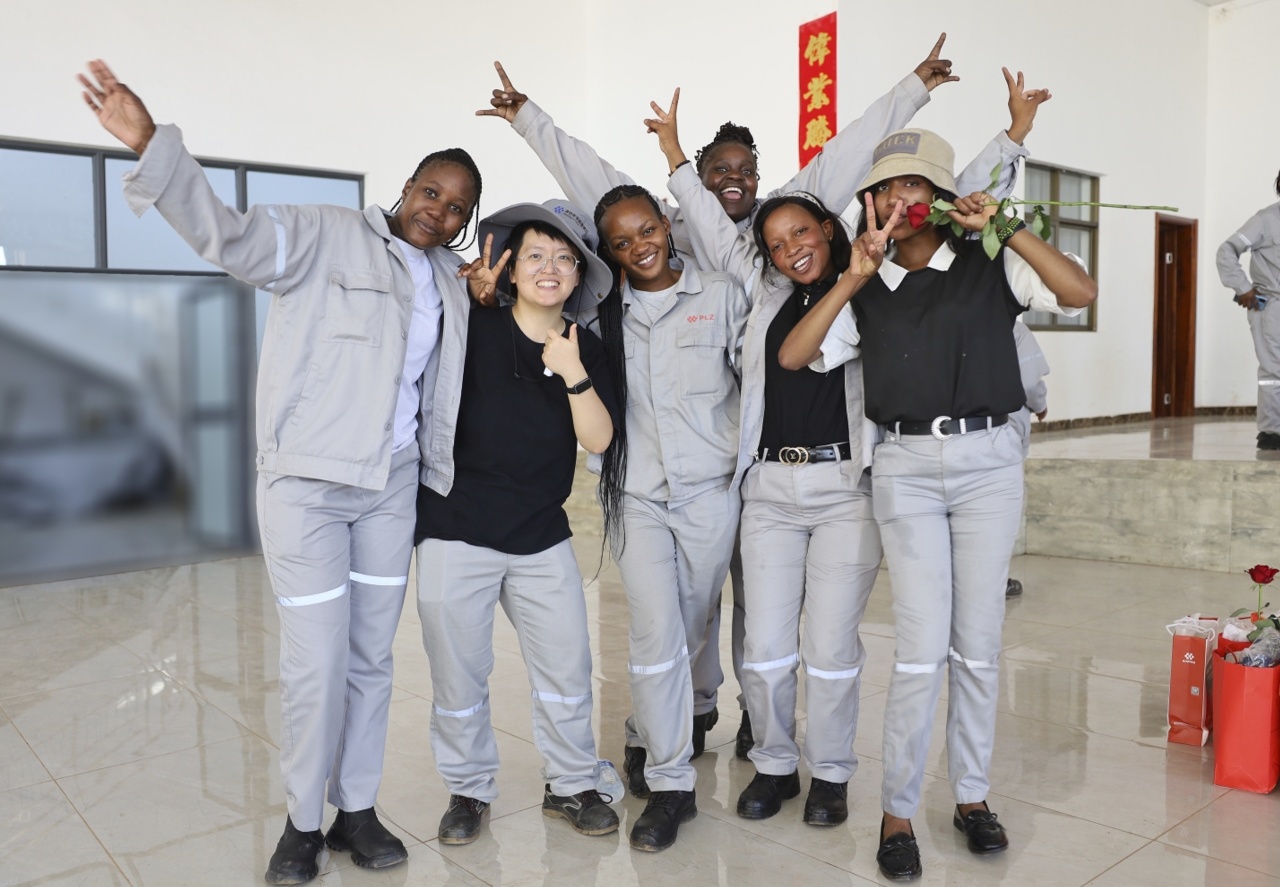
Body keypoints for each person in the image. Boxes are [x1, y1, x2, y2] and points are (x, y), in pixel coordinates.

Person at [479, 34, 994, 762]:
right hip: (711, 466)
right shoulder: (678, 234)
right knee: (686, 613)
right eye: (717, 170)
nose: (732, 180)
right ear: (691, 185)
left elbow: (850, 153)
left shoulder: (774, 237)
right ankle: (687, 716)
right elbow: (596, 182)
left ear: (762, 179)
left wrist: (913, 88)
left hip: (741, 468)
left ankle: (760, 720)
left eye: (744, 170)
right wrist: (532, 120)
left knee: (760, 606)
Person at [78, 60, 485, 886]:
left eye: (457, 208)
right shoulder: (321, 231)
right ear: (406, 185)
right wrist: (153, 145)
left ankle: (356, 808)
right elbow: (228, 237)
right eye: (431, 192)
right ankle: (302, 822)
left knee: (372, 657)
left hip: (390, 486)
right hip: (306, 487)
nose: (439, 212)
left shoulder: (451, 278)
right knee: (316, 660)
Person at [649, 69, 1040, 831]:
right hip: (767, 487)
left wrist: (1010, 139)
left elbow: (944, 196)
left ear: (831, 227)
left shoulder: (877, 287)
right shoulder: (758, 286)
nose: (789, 248)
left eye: (801, 232)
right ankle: (774, 762)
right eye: (775, 241)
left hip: (846, 483)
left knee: (830, 645)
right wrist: (672, 156)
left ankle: (830, 772)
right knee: (765, 646)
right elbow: (711, 223)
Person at [778, 122, 1095, 881]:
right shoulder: (866, 283)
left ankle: (972, 797)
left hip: (989, 464)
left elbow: (1078, 292)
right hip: (907, 467)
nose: (900, 197)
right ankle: (897, 812)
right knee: (921, 648)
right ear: (869, 201)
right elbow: (795, 355)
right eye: (886, 186)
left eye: (915, 184)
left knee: (978, 644)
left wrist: (1007, 226)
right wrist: (852, 275)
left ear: (942, 197)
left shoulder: (989, 261)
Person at [415, 200, 622, 847]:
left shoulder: (586, 347)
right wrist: (467, 288)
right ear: (509, 268)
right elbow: (424, 305)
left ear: (579, 274)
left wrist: (574, 373)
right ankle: (468, 789)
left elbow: (599, 440)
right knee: (458, 675)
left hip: (540, 533)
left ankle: (572, 783)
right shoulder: (470, 325)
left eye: (564, 258)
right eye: (535, 254)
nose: (549, 267)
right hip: (455, 526)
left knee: (567, 668)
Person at [586, 183, 749, 851]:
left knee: (690, 626)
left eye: (647, 230)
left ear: (666, 222)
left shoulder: (722, 295)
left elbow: (756, 382)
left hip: (709, 491)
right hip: (637, 495)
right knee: (656, 630)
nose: (640, 247)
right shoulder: (601, 312)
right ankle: (670, 783)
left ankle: (642, 730)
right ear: (610, 251)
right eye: (622, 242)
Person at [1216, 170, 1280, 451]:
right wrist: (1242, 287)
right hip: (1273, 307)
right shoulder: (1266, 219)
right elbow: (1227, 249)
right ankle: (1272, 432)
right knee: (1274, 370)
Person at [1006, 319, 1050, 598]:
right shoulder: (1013, 328)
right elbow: (1030, 382)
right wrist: (1041, 405)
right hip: (1002, 433)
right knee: (998, 513)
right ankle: (994, 579)